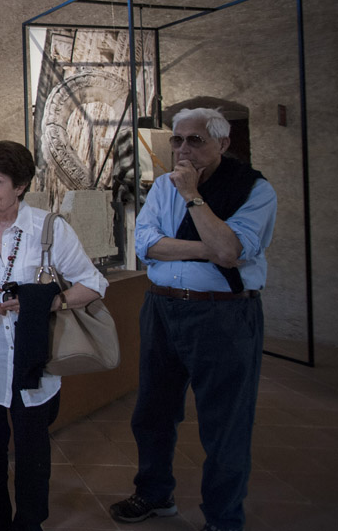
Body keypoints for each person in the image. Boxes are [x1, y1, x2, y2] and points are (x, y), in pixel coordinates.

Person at [109, 109, 277, 531]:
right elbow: (146, 245)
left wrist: (194, 200)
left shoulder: (253, 190)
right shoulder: (164, 186)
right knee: (152, 411)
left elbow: (230, 252)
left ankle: (222, 518)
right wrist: (212, 246)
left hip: (223, 313)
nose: (183, 149)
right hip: (163, 308)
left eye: (195, 140)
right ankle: (153, 493)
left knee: (225, 421)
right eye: (177, 140)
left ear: (222, 144)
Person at [0, 140, 108, 531]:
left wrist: (46, 304)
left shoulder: (49, 228)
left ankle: (29, 522)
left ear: (21, 185)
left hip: (33, 361)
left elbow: (93, 284)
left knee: (31, 455)